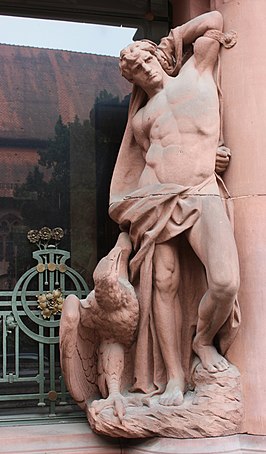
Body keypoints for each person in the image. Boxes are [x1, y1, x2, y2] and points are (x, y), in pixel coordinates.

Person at [109, 11, 240, 407]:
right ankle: (175, 381)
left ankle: (201, 341)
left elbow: (215, 16)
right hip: (156, 203)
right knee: (162, 285)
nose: (144, 70)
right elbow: (137, 167)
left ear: (159, 58)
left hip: (201, 192)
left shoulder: (197, 71)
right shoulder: (142, 120)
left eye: (146, 60)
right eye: (135, 70)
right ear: (131, 82)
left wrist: (172, 38)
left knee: (224, 282)